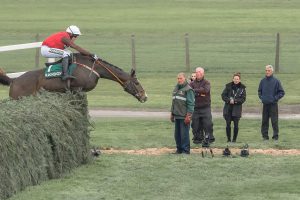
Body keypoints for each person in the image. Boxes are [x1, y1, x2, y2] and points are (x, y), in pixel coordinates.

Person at [258, 65, 285, 141]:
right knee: (264, 121)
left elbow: (282, 92)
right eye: (266, 70)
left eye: (268, 70)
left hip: (273, 105)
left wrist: (275, 98)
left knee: (274, 121)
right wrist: (262, 98)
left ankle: (275, 137)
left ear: (272, 71)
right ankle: (265, 137)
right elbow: (259, 91)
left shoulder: (276, 81)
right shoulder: (262, 81)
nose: (267, 72)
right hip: (265, 104)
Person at [170, 72, 195, 154]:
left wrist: (189, 116)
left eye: (181, 78)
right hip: (176, 115)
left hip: (184, 116)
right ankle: (179, 149)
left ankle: (185, 150)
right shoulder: (176, 88)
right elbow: (174, 102)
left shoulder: (188, 89)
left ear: (185, 79)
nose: (179, 80)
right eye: (178, 78)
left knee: (184, 135)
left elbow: (191, 103)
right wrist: (172, 113)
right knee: (177, 135)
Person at [190, 67, 215, 144]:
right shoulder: (191, 83)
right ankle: (198, 138)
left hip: (205, 107)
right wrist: (200, 92)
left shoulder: (206, 83)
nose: (198, 73)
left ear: (203, 73)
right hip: (195, 107)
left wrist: (195, 91)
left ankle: (209, 138)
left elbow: (205, 90)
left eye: (200, 72)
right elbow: (189, 91)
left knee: (207, 124)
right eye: (197, 72)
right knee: (195, 124)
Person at [221, 72, 246, 142]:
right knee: (228, 124)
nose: (236, 80)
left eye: (237, 79)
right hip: (228, 108)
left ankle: (234, 140)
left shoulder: (242, 88)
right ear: (233, 79)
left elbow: (243, 99)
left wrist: (235, 101)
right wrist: (229, 100)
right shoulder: (228, 86)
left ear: (239, 80)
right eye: (235, 79)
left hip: (237, 109)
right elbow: (223, 96)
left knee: (236, 125)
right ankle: (228, 139)